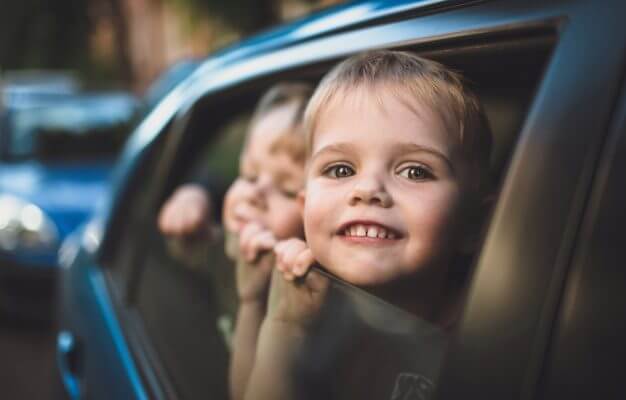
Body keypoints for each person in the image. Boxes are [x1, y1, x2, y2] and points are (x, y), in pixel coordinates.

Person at [245, 50, 493, 400]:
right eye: (341, 170)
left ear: (474, 224)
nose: (368, 190)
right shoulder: (305, 308)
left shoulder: (489, 345)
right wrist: (285, 327)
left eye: (415, 171)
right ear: (304, 208)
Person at [157, 82, 313, 400]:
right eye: (250, 175)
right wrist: (193, 193)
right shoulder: (221, 252)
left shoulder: (313, 305)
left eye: (286, 189)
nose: (254, 193)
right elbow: (177, 239)